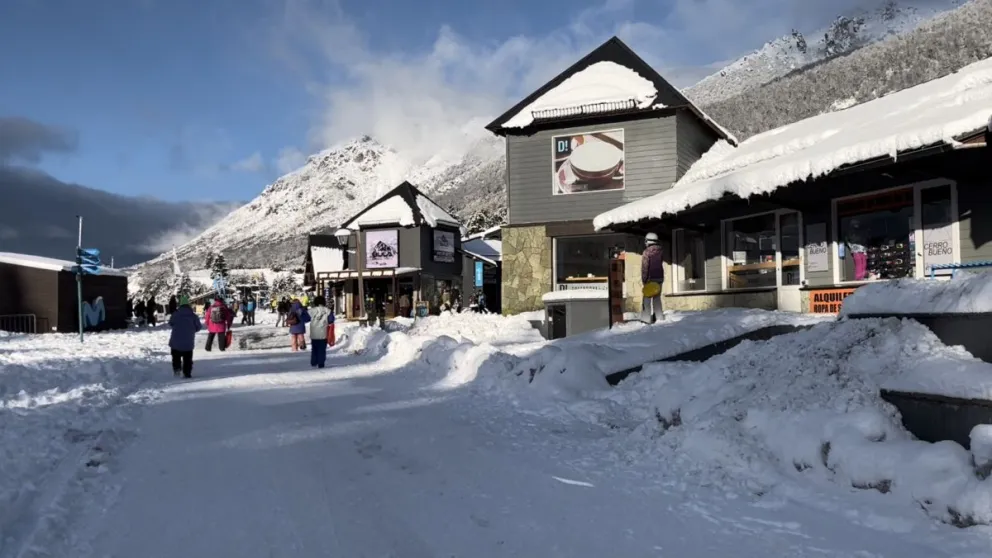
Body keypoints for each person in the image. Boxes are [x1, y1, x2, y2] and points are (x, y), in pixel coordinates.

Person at [168, 295, 201, 378]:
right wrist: (191, 330)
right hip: (188, 342)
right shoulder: (193, 316)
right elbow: (198, 327)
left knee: (176, 357)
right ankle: (187, 373)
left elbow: (171, 323)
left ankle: (177, 370)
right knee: (187, 359)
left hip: (175, 341)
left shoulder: (175, 314)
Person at [641, 232, 664, 324]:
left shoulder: (646, 252)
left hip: (650, 279)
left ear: (648, 241)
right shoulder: (660, 251)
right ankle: (659, 318)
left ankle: (646, 319)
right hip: (659, 278)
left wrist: (644, 280)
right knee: (657, 299)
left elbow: (645, 267)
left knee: (646, 299)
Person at [308, 296, 332, 368]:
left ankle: (314, 361)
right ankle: (321, 363)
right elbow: (331, 320)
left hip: (314, 332)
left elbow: (305, 318)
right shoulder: (327, 311)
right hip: (323, 332)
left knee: (314, 348)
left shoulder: (311, 311)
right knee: (322, 349)